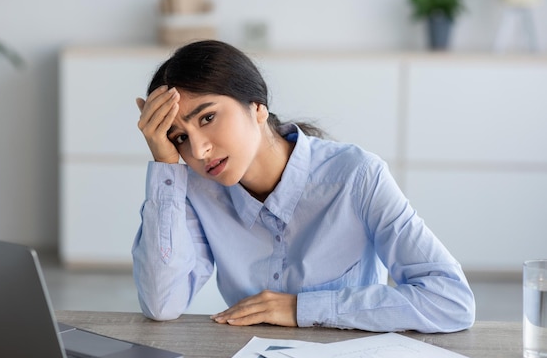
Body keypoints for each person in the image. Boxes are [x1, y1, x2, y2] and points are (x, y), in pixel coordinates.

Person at [132, 39, 475, 333]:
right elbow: (163, 304)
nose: (198, 150)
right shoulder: (196, 190)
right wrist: (165, 166)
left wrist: (302, 308)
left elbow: (450, 300)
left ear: (257, 107)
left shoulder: (357, 177)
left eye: (208, 118)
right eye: (179, 138)